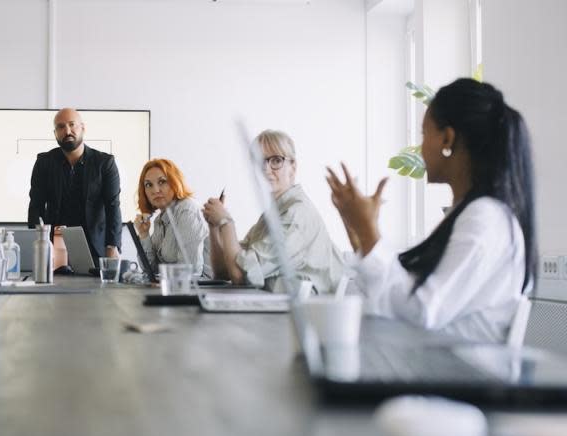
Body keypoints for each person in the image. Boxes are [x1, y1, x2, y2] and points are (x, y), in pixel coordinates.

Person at [326, 78, 536, 344]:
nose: (421, 148)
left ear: (447, 138)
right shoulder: (469, 213)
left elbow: (421, 311)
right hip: (435, 365)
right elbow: (394, 299)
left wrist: (369, 233)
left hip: (455, 378)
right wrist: (359, 235)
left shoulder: (485, 218)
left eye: (424, 134)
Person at [202, 130, 344, 293]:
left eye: (276, 160)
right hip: (277, 309)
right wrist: (214, 227)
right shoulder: (272, 214)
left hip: (301, 314)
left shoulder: (296, 213)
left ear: (293, 167)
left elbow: (240, 276)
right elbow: (224, 271)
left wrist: (226, 223)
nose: (266, 170)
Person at [27, 108, 122, 262]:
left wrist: (113, 246)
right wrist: (37, 244)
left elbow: (113, 206)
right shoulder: (44, 162)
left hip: (96, 247)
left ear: (83, 128)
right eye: (61, 127)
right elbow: (36, 206)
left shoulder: (105, 163)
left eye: (72, 125)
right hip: (55, 249)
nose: (67, 130)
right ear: (55, 133)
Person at [134, 159, 209, 277]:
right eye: (149, 185)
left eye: (162, 182)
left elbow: (190, 271)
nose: (155, 190)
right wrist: (144, 234)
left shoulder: (187, 210)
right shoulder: (160, 219)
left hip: (203, 290)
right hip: (176, 287)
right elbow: (150, 269)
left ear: (175, 182)